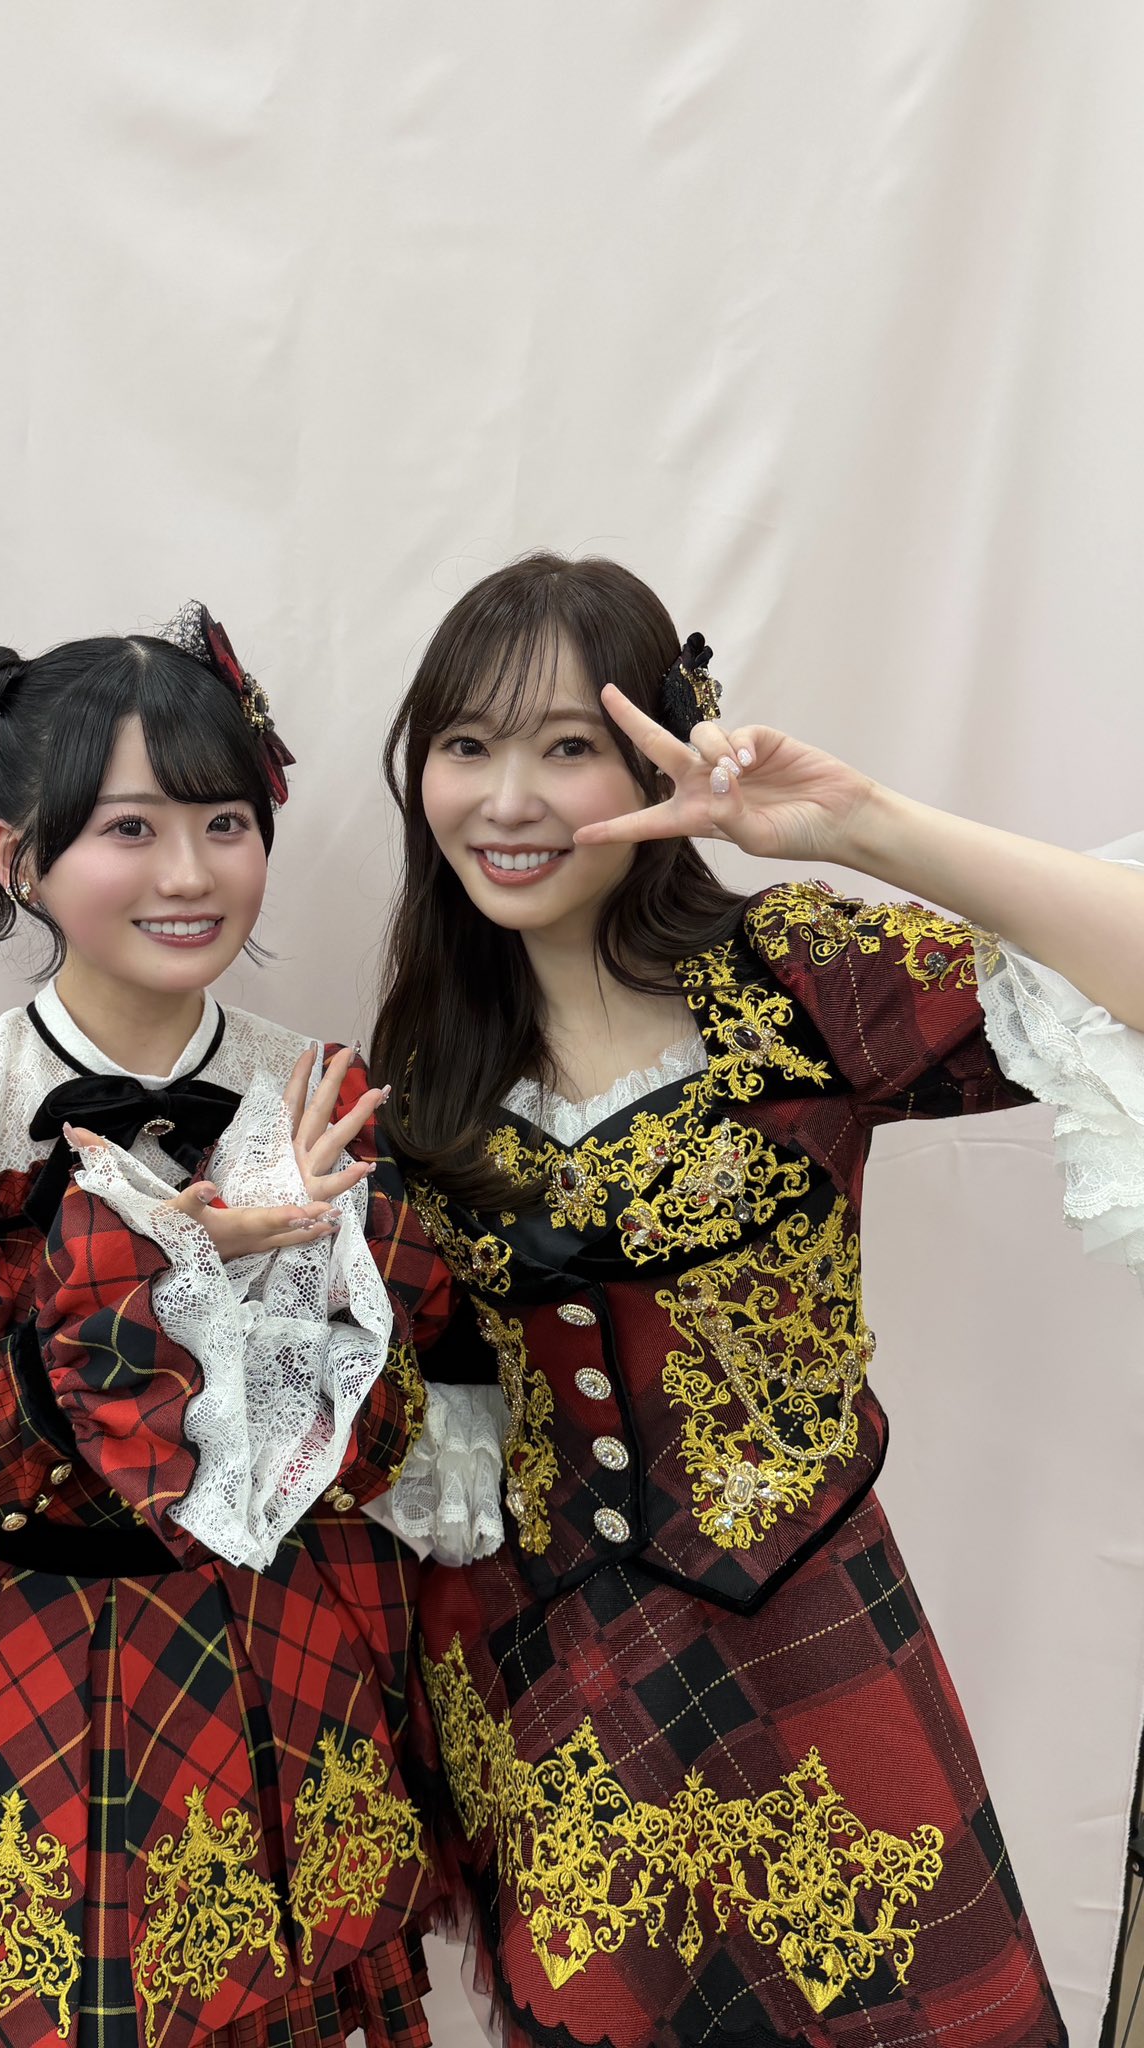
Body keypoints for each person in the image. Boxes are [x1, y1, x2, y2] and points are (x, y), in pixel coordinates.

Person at [360, 553, 1144, 2048]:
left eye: (566, 745)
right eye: (465, 745)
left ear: (659, 750)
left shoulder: (793, 980)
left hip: (814, 1653)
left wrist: (860, 822)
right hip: (565, 1701)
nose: (508, 799)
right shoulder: (422, 1078)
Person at [0, 607, 447, 2048]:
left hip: (269, 1667)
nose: (189, 874)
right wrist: (166, 1270)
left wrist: (284, 1293)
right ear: (17, 853)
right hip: (3, 1672)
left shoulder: (321, 1093)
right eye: (129, 829)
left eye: (225, 823)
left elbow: (369, 1456)